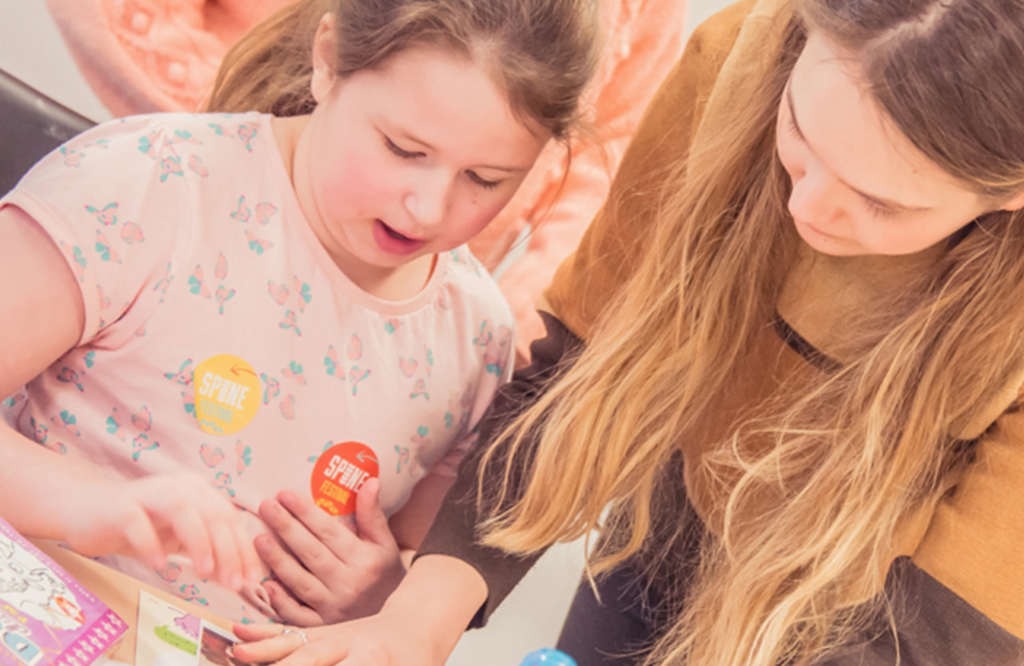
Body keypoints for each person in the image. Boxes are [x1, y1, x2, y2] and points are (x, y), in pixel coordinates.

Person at [229, 0, 1024, 664]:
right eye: (799, 139)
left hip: (881, 617)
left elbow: (950, 633)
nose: (805, 210)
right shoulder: (734, 59)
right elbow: (577, 366)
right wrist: (417, 623)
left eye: (882, 204)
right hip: (667, 516)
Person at [0, 0, 598, 624]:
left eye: (484, 178)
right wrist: (85, 505)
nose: (427, 207)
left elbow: (408, 574)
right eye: (403, 148)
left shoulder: (476, 338)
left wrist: (383, 596)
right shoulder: (148, 186)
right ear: (328, 59)